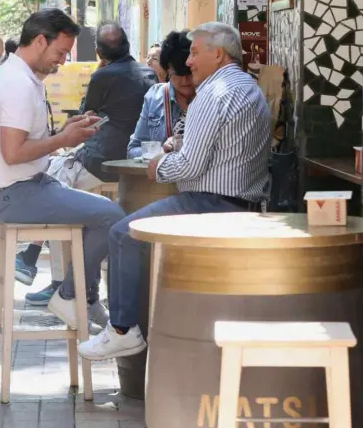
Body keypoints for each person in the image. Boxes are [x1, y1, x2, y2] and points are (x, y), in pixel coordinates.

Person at [78, 22, 272, 361]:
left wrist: (159, 167)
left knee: (122, 233)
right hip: (243, 204)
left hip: (210, 204)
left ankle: (122, 329)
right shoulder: (247, 87)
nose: (190, 62)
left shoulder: (212, 94)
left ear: (219, 54)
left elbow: (189, 167)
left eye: (196, 53)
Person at [0, 8, 126, 332]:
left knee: (103, 214)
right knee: (111, 216)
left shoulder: (23, 78)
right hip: (14, 193)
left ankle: (83, 297)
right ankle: (72, 296)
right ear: (40, 41)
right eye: (60, 52)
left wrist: (65, 131)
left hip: (24, 186)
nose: (61, 61)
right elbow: (13, 152)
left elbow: (23, 144)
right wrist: (63, 138)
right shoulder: (18, 83)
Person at [2, 23, 155, 313]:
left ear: (98, 52)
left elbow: (87, 111)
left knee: (54, 184)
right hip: (132, 167)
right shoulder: (148, 73)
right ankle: (59, 275)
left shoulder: (103, 75)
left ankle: (55, 277)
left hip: (101, 162)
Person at [128, 30, 196, 159]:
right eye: (178, 74)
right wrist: (160, 151)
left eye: (189, 74)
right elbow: (133, 150)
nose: (185, 81)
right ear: (167, 70)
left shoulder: (209, 96)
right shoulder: (155, 97)